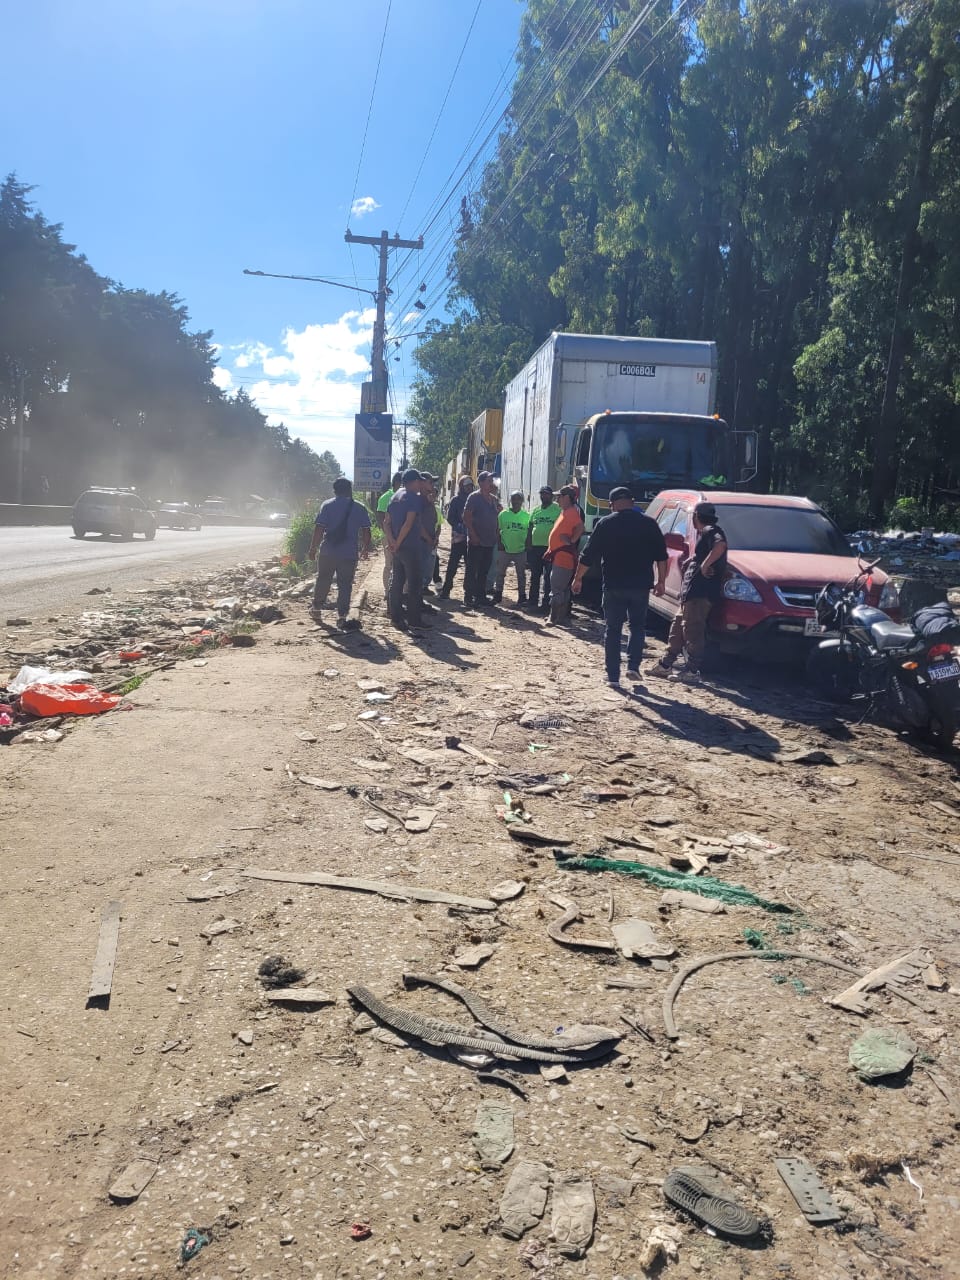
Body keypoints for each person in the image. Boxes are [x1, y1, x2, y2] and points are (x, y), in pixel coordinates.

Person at [572, 486, 667, 686]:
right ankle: (633, 667)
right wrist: (662, 582)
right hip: (640, 586)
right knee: (637, 627)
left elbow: (588, 555)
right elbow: (661, 557)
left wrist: (578, 578)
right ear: (632, 502)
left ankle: (613, 676)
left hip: (614, 585)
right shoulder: (649, 524)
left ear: (611, 504)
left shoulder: (606, 524)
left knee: (613, 629)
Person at [649, 501, 728, 683]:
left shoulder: (711, 531)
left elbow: (720, 546)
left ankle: (692, 671)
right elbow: (708, 551)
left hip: (700, 593)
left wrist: (705, 565)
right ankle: (665, 665)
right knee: (677, 628)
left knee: (693, 630)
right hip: (690, 593)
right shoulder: (705, 534)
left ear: (696, 517)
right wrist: (694, 560)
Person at [308, 478, 372, 630]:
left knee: (323, 579)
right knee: (345, 584)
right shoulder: (359, 507)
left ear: (334, 490)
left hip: (328, 551)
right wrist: (364, 549)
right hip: (349, 553)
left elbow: (319, 529)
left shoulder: (327, 505)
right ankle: (342, 616)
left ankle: (316, 609)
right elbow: (366, 531)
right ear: (350, 490)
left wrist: (313, 548)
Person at [385, 469, 431, 632]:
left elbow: (386, 523)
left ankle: (396, 618)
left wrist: (392, 542)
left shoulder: (395, 496)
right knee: (414, 585)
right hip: (410, 547)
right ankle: (414, 620)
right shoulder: (413, 498)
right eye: (419, 481)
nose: (421, 484)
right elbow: (409, 523)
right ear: (413, 482)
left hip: (397, 548)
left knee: (396, 582)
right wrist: (398, 542)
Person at [545, 486, 585, 625]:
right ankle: (560, 617)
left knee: (556, 587)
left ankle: (553, 617)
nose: (557, 499)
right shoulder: (566, 511)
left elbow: (581, 527)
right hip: (559, 556)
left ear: (567, 497)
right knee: (562, 588)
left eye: (559, 496)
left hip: (563, 557)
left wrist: (572, 540)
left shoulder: (572, 512)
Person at [463, 470, 499, 608]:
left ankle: (480, 596)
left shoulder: (494, 499)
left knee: (484, 569)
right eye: (489, 481)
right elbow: (467, 517)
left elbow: (496, 517)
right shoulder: (474, 498)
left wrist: (496, 534)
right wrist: (473, 535)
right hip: (476, 541)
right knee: (472, 569)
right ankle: (468, 596)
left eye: (492, 481)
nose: (491, 484)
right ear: (481, 483)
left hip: (490, 541)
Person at [526, 486, 560, 613]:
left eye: (546, 494)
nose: (544, 496)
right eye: (542, 494)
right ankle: (532, 601)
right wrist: (528, 544)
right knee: (535, 575)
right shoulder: (535, 510)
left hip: (550, 548)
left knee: (548, 577)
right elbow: (530, 527)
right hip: (535, 548)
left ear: (551, 496)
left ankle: (546, 603)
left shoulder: (557, 509)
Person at [493, 490, 530, 606]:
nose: (516, 501)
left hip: (520, 549)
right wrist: (499, 544)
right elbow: (497, 531)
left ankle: (522, 596)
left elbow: (529, 533)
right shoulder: (503, 515)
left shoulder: (527, 516)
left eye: (518, 499)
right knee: (500, 573)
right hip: (505, 549)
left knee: (521, 575)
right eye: (513, 499)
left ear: (522, 501)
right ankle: (498, 594)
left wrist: (527, 546)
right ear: (510, 501)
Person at [440, 475, 474, 598]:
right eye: (466, 486)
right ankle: (446, 590)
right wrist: (459, 526)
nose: (469, 488)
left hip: (471, 538)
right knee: (453, 564)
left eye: (471, 485)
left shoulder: (474, 499)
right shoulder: (456, 500)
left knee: (470, 566)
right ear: (461, 487)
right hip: (458, 537)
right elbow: (450, 518)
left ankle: (469, 593)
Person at [376, 471, 403, 599]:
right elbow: (380, 518)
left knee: (402, 565)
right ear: (397, 483)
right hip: (388, 537)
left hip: (403, 537)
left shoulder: (406, 496)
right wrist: (390, 537)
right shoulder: (386, 497)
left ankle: (401, 592)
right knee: (389, 564)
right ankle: (388, 591)